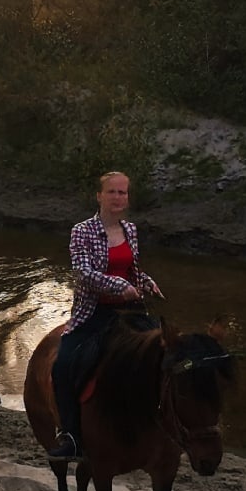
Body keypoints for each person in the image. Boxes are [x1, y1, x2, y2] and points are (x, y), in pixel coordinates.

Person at [47, 171, 164, 463]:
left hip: (131, 312)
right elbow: (84, 275)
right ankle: (72, 435)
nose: (117, 198)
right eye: (111, 192)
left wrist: (146, 281)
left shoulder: (131, 230)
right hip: (94, 313)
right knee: (63, 365)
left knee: (164, 354)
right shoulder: (82, 231)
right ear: (99, 196)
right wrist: (120, 286)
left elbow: (131, 268)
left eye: (122, 193)